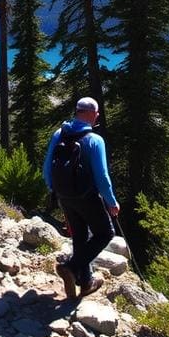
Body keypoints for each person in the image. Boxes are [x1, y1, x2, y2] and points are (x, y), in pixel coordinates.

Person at [42, 96, 120, 300]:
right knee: (105, 233)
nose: (97, 117)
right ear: (89, 114)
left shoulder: (60, 134)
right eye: (96, 113)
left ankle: (85, 283)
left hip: (64, 196)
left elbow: (47, 166)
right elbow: (102, 176)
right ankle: (71, 267)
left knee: (79, 236)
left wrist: (54, 190)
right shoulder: (94, 140)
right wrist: (111, 202)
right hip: (87, 197)